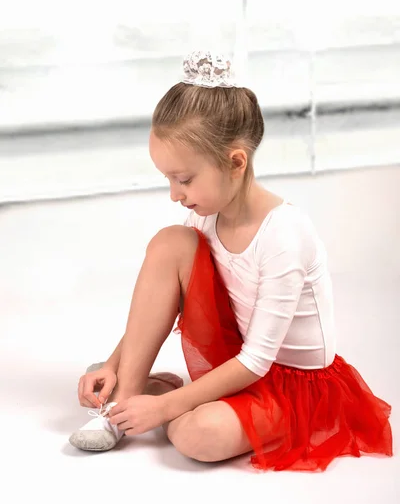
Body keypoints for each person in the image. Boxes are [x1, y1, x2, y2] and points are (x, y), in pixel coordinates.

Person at [69, 50, 393, 471]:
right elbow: (161, 304)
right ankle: (128, 396)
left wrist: (167, 408)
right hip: (233, 357)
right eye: (168, 179)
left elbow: (258, 361)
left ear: (235, 161)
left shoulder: (284, 234)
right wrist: (115, 365)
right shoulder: (204, 217)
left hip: (287, 382)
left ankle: (157, 398)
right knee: (171, 242)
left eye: (184, 179)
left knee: (195, 435)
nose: (174, 193)